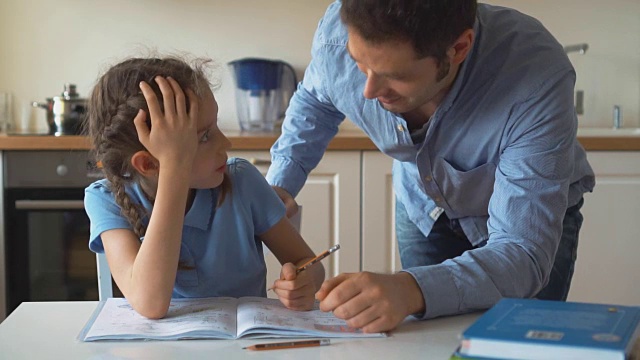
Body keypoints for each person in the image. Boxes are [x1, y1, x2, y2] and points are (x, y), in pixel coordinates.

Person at [266, 0, 595, 332]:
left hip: (527, 222)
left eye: (396, 75)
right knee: (427, 340)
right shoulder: (339, 30)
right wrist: (279, 186)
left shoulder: (535, 74)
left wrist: (411, 288)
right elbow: (318, 99)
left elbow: (523, 253)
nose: (368, 91)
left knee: (518, 340)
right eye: (358, 64)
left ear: (458, 48)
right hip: (423, 203)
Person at [83, 55, 324, 319]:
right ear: (148, 164)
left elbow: (308, 264)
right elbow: (151, 304)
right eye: (205, 136)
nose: (226, 144)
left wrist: (304, 282)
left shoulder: (242, 180)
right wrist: (175, 169)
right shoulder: (105, 199)